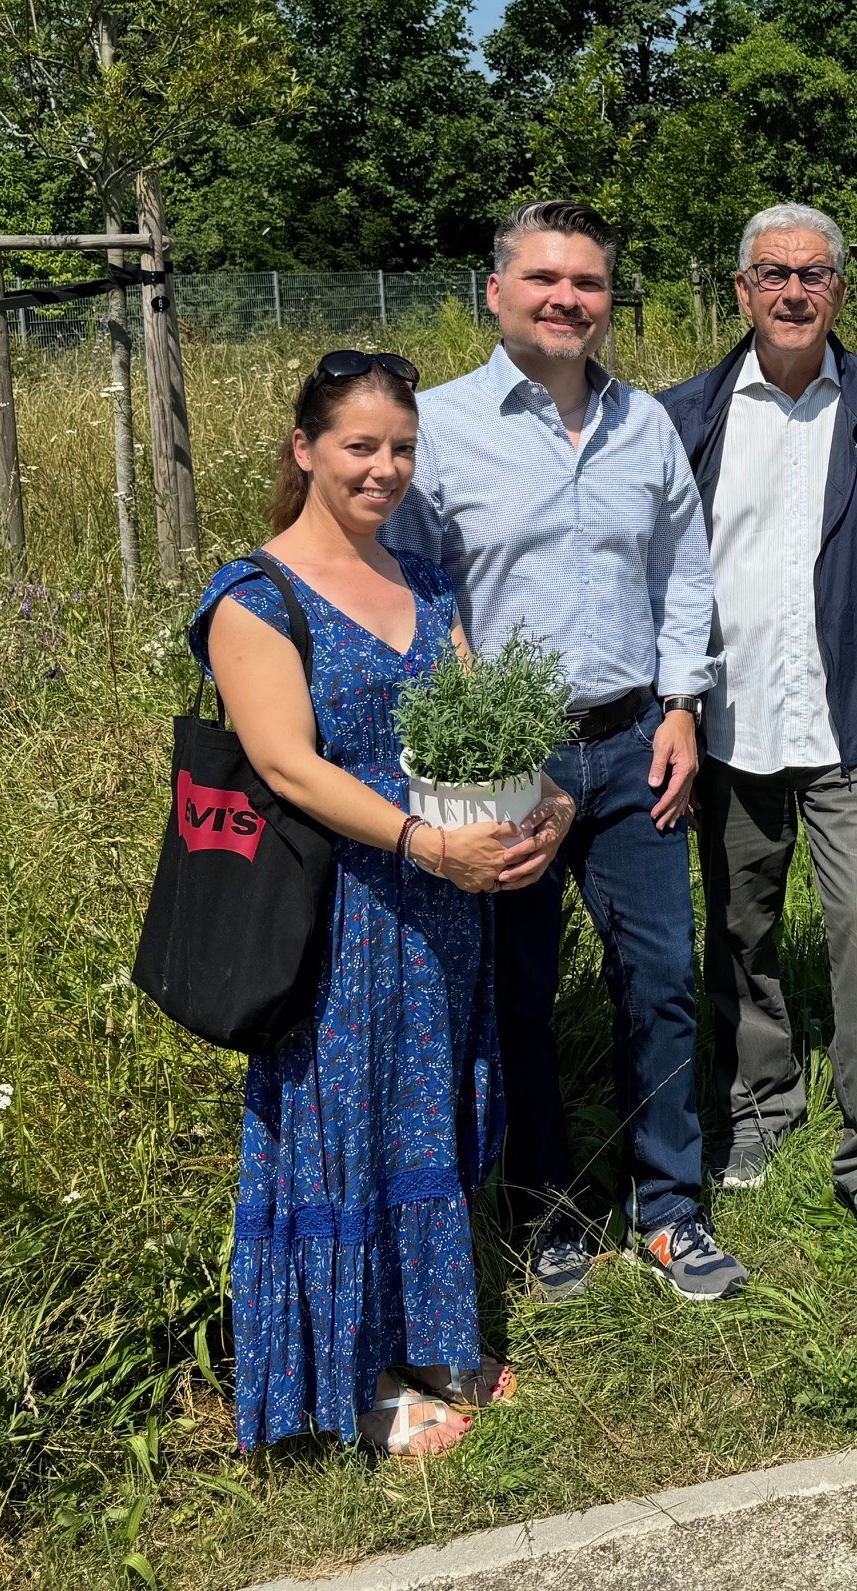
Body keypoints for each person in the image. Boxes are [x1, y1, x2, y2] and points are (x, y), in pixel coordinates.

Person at [195, 351, 574, 1458]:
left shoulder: (424, 582)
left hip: (443, 911)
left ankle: (435, 1341)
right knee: (339, 1135)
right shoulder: (253, 596)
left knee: (429, 1122)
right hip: (333, 916)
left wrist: (540, 799)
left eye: (402, 448)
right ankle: (348, 1387)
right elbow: (289, 767)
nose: (385, 468)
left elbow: (477, 725)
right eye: (361, 445)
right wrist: (424, 843)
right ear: (304, 448)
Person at [384, 201, 746, 1303]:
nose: (566, 299)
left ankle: (671, 1209)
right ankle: (546, 1210)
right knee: (521, 995)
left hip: (637, 745)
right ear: (494, 293)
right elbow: (412, 590)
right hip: (505, 766)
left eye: (587, 282)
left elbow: (683, 573)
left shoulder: (646, 429)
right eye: (544, 278)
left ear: (606, 300)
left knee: (663, 983)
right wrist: (493, 738)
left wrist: (682, 703)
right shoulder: (436, 430)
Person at [660, 204, 857, 1258]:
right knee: (742, 930)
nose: (794, 293)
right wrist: (678, 710)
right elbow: (666, 580)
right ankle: (761, 1106)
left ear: (842, 292)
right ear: (741, 291)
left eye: (816, 275)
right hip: (730, 736)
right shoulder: (688, 414)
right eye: (773, 275)